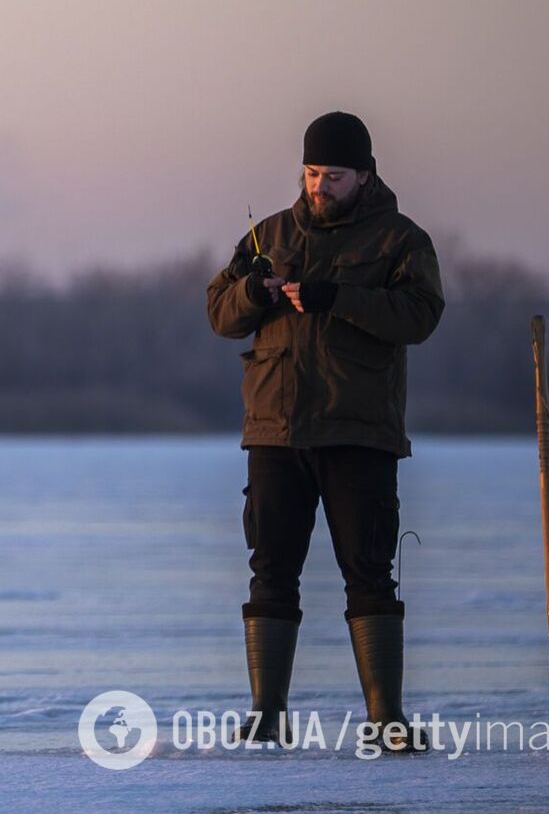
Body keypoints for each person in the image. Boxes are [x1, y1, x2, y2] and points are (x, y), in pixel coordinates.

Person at [205, 111, 446, 752]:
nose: (319, 186)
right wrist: (256, 292)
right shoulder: (270, 234)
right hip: (275, 430)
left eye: (333, 175)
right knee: (270, 570)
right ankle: (266, 716)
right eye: (312, 173)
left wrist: (338, 297)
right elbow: (218, 311)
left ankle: (386, 719)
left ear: (364, 175)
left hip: (358, 432)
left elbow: (421, 315)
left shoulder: (400, 239)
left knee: (368, 572)